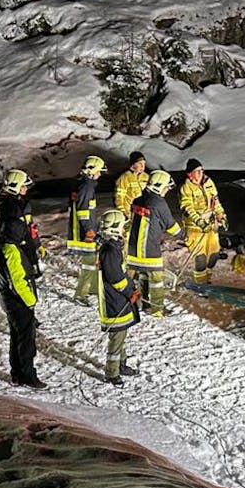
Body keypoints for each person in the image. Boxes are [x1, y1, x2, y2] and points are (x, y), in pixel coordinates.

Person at [0, 168, 46, 389]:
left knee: (18, 334)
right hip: (18, 299)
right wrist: (30, 300)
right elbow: (17, 279)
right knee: (25, 337)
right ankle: (27, 375)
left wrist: (34, 249)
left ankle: (17, 373)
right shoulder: (11, 250)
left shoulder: (6, 244)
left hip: (11, 298)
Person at [94, 210, 142, 386]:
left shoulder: (112, 247)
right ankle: (112, 373)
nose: (124, 229)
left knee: (121, 336)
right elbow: (116, 278)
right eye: (122, 226)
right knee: (117, 338)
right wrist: (130, 293)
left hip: (118, 299)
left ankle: (121, 364)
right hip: (114, 301)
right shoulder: (110, 251)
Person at [127, 169, 182, 318]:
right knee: (157, 280)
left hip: (133, 250)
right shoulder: (159, 203)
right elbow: (171, 226)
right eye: (166, 188)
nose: (166, 191)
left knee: (142, 276)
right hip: (149, 250)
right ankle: (157, 310)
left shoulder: (138, 200)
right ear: (158, 186)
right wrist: (182, 235)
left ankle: (142, 304)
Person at [178, 158, 228, 285]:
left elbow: (215, 202)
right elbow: (187, 207)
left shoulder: (208, 182)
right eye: (197, 171)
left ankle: (208, 279)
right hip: (195, 228)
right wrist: (199, 221)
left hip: (211, 226)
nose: (201, 173)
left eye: (201, 170)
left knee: (214, 255)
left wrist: (222, 216)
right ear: (190, 174)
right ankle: (201, 285)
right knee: (200, 258)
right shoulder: (186, 187)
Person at [68, 155, 106, 305]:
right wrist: (89, 230)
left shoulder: (82, 184)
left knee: (93, 261)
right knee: (89, 263)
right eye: (99, 171)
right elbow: (83, 211)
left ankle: (94, 288)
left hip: (84, 230)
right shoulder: (87, 186)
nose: (100, 174)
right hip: (84, 232)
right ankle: (80, 295)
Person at [115, 151, 149, 216]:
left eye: (144, 163)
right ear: (133, 165)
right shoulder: (125, 177)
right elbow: (119, 196)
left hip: (142, 211)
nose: (142, 166)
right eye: (139, 163)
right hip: (129, 212)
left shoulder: (146, 177)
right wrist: (122, 211)